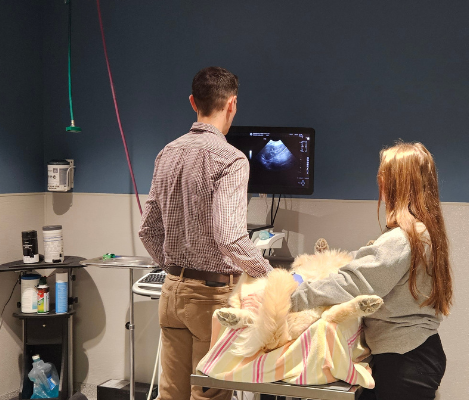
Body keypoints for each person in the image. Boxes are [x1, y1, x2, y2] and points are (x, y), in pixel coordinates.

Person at [139, 66, 272, 400]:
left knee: (171, 394)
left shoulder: (166, 153)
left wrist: (176, 268)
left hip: (171, 293)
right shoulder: (231, 159)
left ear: (192, 102)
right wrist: (269, 275)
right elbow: (229, 235)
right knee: (209, 394)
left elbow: (148, 230)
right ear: (232, 105)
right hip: (211, 298)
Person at [289, 142, 453, 400]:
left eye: (383, 177)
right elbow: (360, 262)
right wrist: (319, 267)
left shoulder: (403, 239)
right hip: (413, 354)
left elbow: (355, 281)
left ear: (394, 183)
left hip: (405, 362)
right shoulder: (421, 233)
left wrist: (293, 296)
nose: (380, 184)